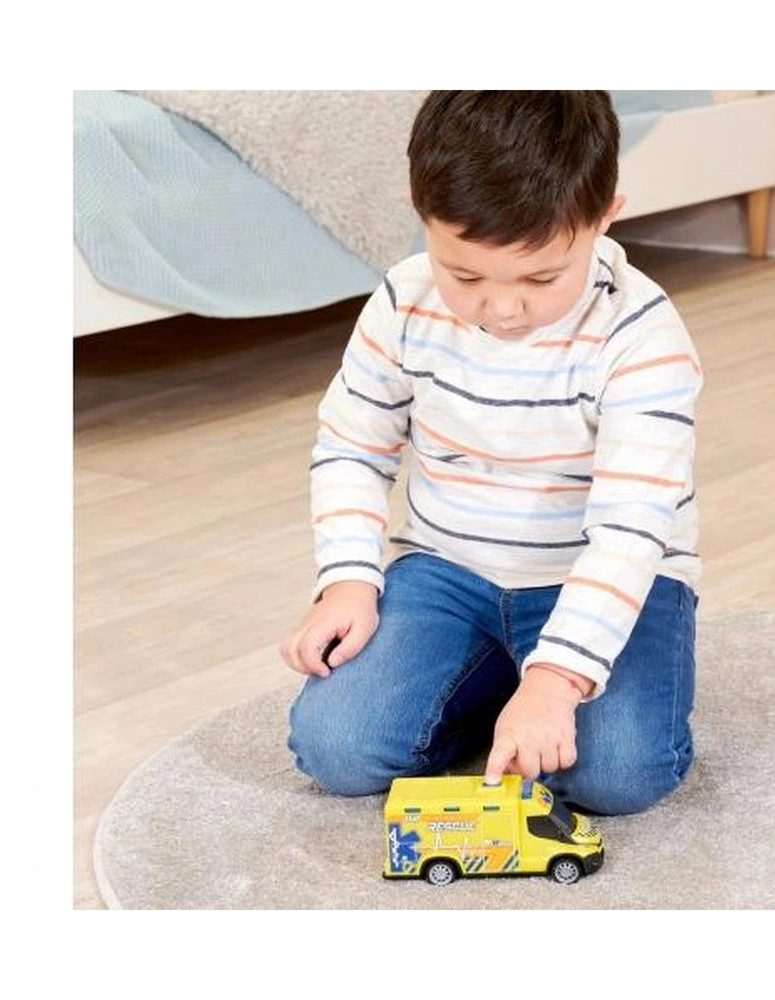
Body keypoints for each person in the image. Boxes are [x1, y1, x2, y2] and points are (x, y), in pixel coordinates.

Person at [280, 91, 702, 816]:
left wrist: (558, 679)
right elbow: (353, 446)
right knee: (335, 747)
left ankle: (529, 683)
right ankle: (491, 686)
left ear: (604, 217)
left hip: (607, 576)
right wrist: (348, 580)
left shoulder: (642, 336)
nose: (502, 309)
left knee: (618, 774)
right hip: (448, 574)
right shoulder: (402, 302)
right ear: (421, 212)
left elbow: (631, 532)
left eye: (542, 278)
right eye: (466, 276)